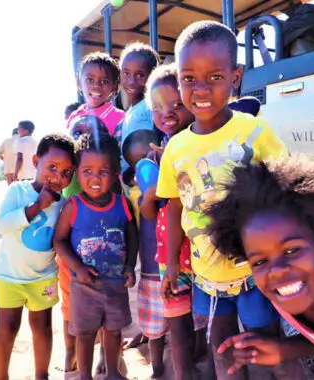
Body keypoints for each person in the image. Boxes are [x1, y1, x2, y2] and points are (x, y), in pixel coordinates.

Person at [156, 21, 302, 380]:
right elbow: (174, 206)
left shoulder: (253, 131)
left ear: (235, 77)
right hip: (207, 277)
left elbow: (286, 186)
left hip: (254, 272)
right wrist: (173, 265)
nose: (201, 89)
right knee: (222, 353)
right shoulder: (175, 147)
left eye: (215, 77)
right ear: (178, 81)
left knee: (268, 350)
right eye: (189, 79)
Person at [207, 155, 314, 379]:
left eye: (292, 250)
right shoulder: (287, 291)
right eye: (260, 261)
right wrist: (284, 349)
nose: (277, 270)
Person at [140, 63, 211, 380]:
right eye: (157, 108)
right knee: (178, 324)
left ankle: (211, 374)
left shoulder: (205, 145)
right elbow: (155, 210)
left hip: (208, 254)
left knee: (212, 323)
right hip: (174, 258)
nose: (166, 113)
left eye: (175, 104)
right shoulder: (154, 159)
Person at [54, 131, 138, 380]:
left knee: (113, 331)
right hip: (84, 286)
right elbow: (59, 241)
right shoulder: (74, 206)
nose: (94, 178)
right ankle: (85, 376)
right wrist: (77, 268)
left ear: (114, 174)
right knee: (86, 333)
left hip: (115, 284)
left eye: (103, 172)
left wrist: (130, 265)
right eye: (87, 171)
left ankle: (113, 372)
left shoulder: (122, 204)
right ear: (77, 173)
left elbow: (131, 234)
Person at [0, 133, 76, 380]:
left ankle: (42, 375)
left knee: (42, 328)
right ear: (36, 160)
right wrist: (37, 206)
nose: (58, 177)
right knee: (6, 330)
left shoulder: (64, 204)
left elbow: (61, 240)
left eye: (67, 172)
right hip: (9, 277)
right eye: (52, 167)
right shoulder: (18, 191)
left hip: (44, 279)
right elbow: (2, 225)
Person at [59, 114, 110, 374]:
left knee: (104, 308)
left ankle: (105, 355)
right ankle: (71, 355)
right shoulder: (72, 182)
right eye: (78, 135)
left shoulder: (106, 177)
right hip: (72, 258)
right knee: (70, 309)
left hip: (104, 258)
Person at [122, 129, 167, 378]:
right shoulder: (135, 196)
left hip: (180, 265)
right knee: (154, 324)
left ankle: (194, 354)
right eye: (140, 161)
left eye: (152, 155)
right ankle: (157, 367)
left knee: (189, 320)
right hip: (151, 268)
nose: (148, 163)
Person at [119, 42, 160, 174]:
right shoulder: (130, 111)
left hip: (148, 178)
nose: (131, 81)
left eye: (140, 75)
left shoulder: (151, 106)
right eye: (126, 73)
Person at [66, 51, 124, 142]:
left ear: (114, 87)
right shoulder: (74, 116)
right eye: (90, 79)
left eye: (104, 81)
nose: (96, 85)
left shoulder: (120, 118)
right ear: (79, 83)